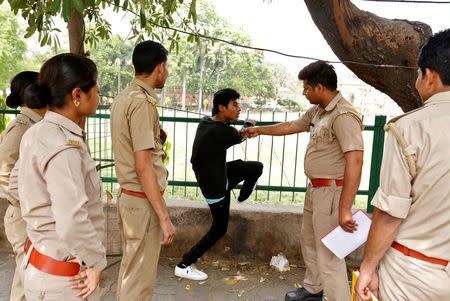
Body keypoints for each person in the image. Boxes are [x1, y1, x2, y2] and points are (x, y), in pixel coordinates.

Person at [242, 61, 364, 301]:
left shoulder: (343, 115)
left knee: (330, 255)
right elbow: (291, 125)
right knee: (309, 243)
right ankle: (312, 290)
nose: (303, 92)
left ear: (320, 87)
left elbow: (356, 161)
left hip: (332, 194)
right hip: (316, 191)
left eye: (306, 88)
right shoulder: (318, 111)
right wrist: (260, 130)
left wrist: (345, 208)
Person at [355, 29, 450, 301]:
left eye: (418, 74)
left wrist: (368, 268)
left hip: (414, 274)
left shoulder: (409, 128)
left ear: (430, 75)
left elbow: (389, 214)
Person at [9, 53, 106, 300]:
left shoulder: (38, 131)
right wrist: (96, 263)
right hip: (65, 282)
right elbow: (72, 218)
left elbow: (14, 185)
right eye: (96, 90)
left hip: (41, 266)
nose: (98, 96)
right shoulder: (63, 145)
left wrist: (41, 228)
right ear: (76, 95)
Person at [174, 88, 263, 280]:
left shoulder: (206, 122)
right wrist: (249, 125)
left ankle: (242, 195)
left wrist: (244, 126)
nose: (239, 109)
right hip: (215, 187)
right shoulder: (221, 131)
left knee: (255, 167)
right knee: (219, 229)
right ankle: (185, 263)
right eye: (234, 105)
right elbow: (239, 136)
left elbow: (234, 132)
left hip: (219, 174)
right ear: (221, 108)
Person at [110, 40, 175, 300]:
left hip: (132, 199)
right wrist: (164, 217)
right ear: (159, 67)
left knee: (131, 272)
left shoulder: (124, 97)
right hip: (142, 203)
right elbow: (143, 166)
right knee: (139, 280)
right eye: (167, 67)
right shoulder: (141, 103)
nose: (167, 72)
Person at [0, 71, 47, 301]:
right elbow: (4, 173)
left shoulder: (38, 124)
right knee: (25, 276)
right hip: (22, 215)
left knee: (32, 276)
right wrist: (29, 204)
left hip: (31, 214)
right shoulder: (21, 127)